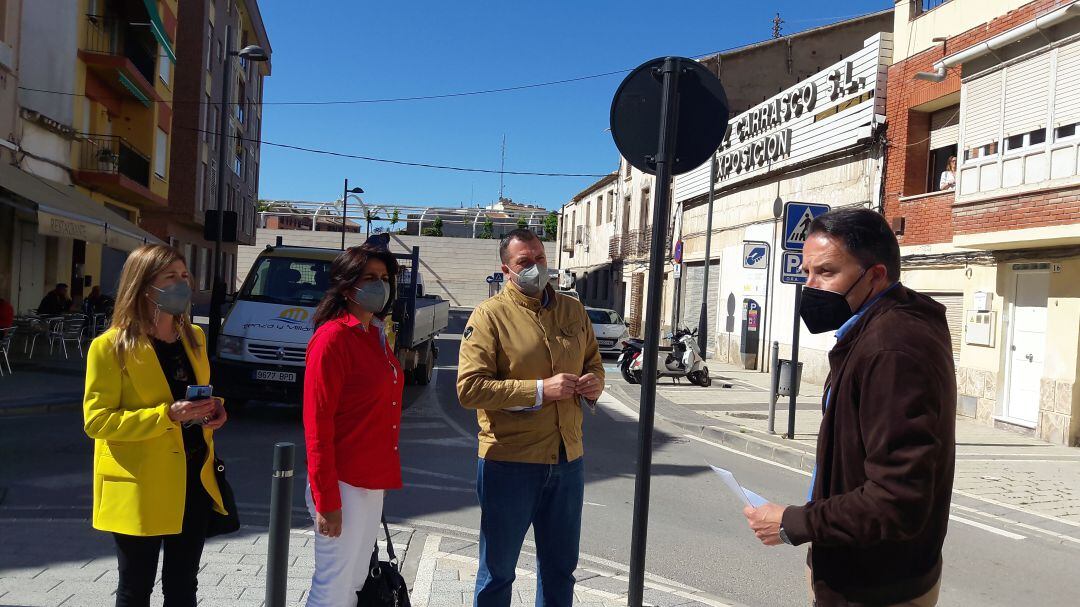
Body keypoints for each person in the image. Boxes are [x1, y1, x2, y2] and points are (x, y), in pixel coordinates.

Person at [742, 208, 955, 606]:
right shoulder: (878, 328)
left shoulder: (891, 349)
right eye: (806, 272)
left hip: (874, 585)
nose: (812, 286)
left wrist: (793, 522)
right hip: (860, 567)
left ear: (875, 275)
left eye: (826, 272)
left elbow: (898, 499)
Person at [457, 228, 605, 607]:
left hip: (567, 461)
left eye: (540, 258)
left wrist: (593, 384)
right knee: (497, 573)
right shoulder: (489, 316)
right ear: (506, 269)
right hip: (509, 463)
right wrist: (540, 390)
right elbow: (469, 389)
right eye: (525, 262)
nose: (536, 267)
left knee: (560, 571)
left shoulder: (573, 310)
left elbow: (594, 363)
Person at [83, 245, 228, 607]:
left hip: (192, 479)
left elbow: (193, 395)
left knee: (183, 587)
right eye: (170, 277)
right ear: (144, 285)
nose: (182, 284)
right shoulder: (110, 347)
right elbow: (97, 420)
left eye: (184, 276)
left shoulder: (193, 338)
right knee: (136, 588)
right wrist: (166, 417)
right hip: (140, 486)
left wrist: (214, 410)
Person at [303, 244, 403, 606]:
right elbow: (317, 426)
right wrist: (327, 500)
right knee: (332, 588)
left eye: (385, 279)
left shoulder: (374, 335)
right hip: (342, 484)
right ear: (347, 288)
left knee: (355, 584)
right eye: (371, 279)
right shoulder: (333, 339)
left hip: (369, 481)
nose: (381, 286)